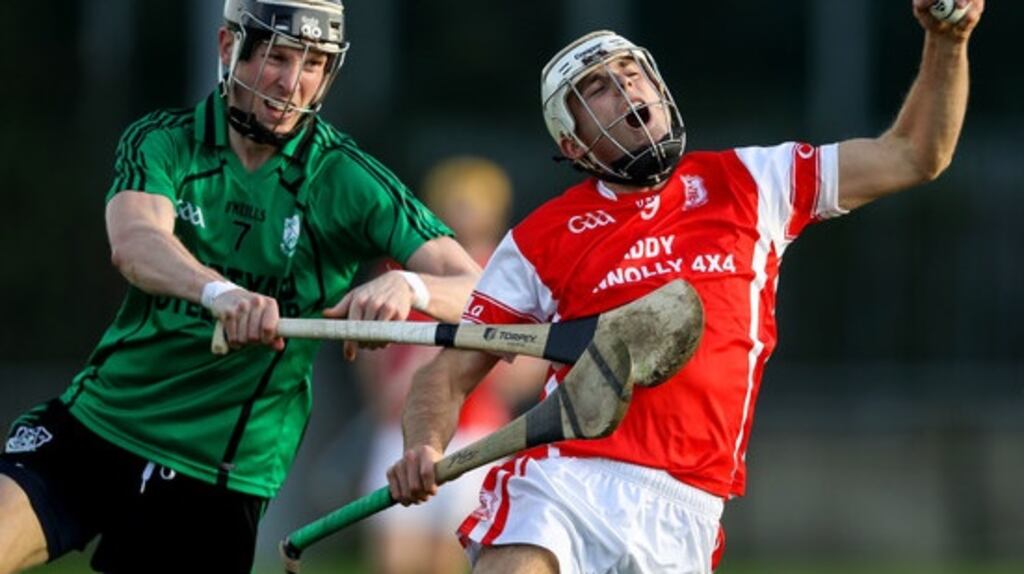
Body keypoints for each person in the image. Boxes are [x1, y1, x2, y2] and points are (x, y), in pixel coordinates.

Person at [387, 2, 984, 573]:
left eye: (631, 74)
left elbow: (914, 155)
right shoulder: (541, 238)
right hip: (568, 473)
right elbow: (447, 372)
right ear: (571, 144)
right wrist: (424, 446)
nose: (627, 92)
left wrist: (947, 42)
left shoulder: (751, 181)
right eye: (597, 89)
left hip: (689, 505)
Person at [0, 1, 480, 573]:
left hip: (218, 472)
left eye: (313, 64)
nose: (292, 83)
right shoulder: (164, 140)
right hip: (103, 421)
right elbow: (134, 241)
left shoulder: (346, 178)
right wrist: (219, 293)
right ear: (228, 49)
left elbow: (469, 281)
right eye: (277, 57)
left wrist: (409, 286)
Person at [356, 157, 548, 574]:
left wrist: (467, 366)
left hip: (477, 433)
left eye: (473, 204)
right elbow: (372, 361)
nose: (463, 214)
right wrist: (387, 399)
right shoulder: (397, 271)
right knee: (395, 559)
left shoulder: (507, 273)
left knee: (449, 557)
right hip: (401, 428)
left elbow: (528, 373)